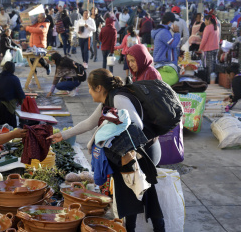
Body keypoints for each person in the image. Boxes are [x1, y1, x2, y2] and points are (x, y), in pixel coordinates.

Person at [47, 69, 165, 232]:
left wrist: (113, 130)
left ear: (99, 88)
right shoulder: (109, 100)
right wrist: (63, 134)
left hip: (142, 152)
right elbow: (90, 122)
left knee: (145, 195)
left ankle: (158, 229)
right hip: (132, 152)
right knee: (130, 196)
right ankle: (131, 228)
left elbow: (137, 124)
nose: (88, 91)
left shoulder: (118, 99)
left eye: (89, 87)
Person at [0, 62, 25, 127]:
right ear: (13, 69)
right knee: (12, 129)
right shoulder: (14, 79)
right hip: (5, 109)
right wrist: (20, 102)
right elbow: (21, 95)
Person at [199, 13, 220, 83]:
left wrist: (200, 48)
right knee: (214, 65)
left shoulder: (207, 28)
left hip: (209, 49)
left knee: (209, 66)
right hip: (216, 48)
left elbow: (204, 40)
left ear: (208, 20)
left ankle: (209, 81)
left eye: (205, 20)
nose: (204, 22)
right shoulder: (217, 27)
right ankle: (214, 80)